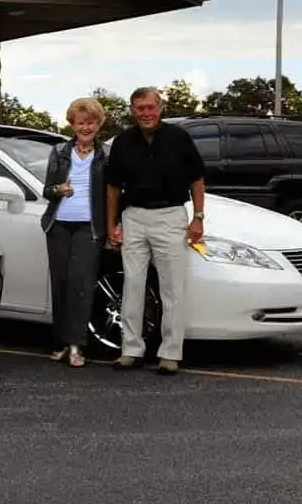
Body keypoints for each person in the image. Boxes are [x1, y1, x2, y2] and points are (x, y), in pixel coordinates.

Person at [104, 86, 206, 375]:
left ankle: (170, 354)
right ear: (132, 110)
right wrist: (112, 225)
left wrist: (198, 218)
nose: (146, 113)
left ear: (160, 108)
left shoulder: (179, 138)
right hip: (134, 217)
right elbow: (113, 188)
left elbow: (197, 179)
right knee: (132, 285)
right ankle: (130, 350)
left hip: (170, 216)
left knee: (172, 288)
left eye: (150, 107)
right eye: (140, 108)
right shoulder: (123, 141)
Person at [38, 97, 109, 368]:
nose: (86, 128)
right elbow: (47, 190)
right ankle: (60, 342)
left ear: (98, 124)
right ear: (72, 124)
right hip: (58, 225)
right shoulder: (59, 152)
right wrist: (59, 190)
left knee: (81, 285)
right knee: (60, 284)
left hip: (89, 227)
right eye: (81, 123)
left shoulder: (105, 155)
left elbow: (113, 192)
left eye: (91, 122)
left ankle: (77, 345)